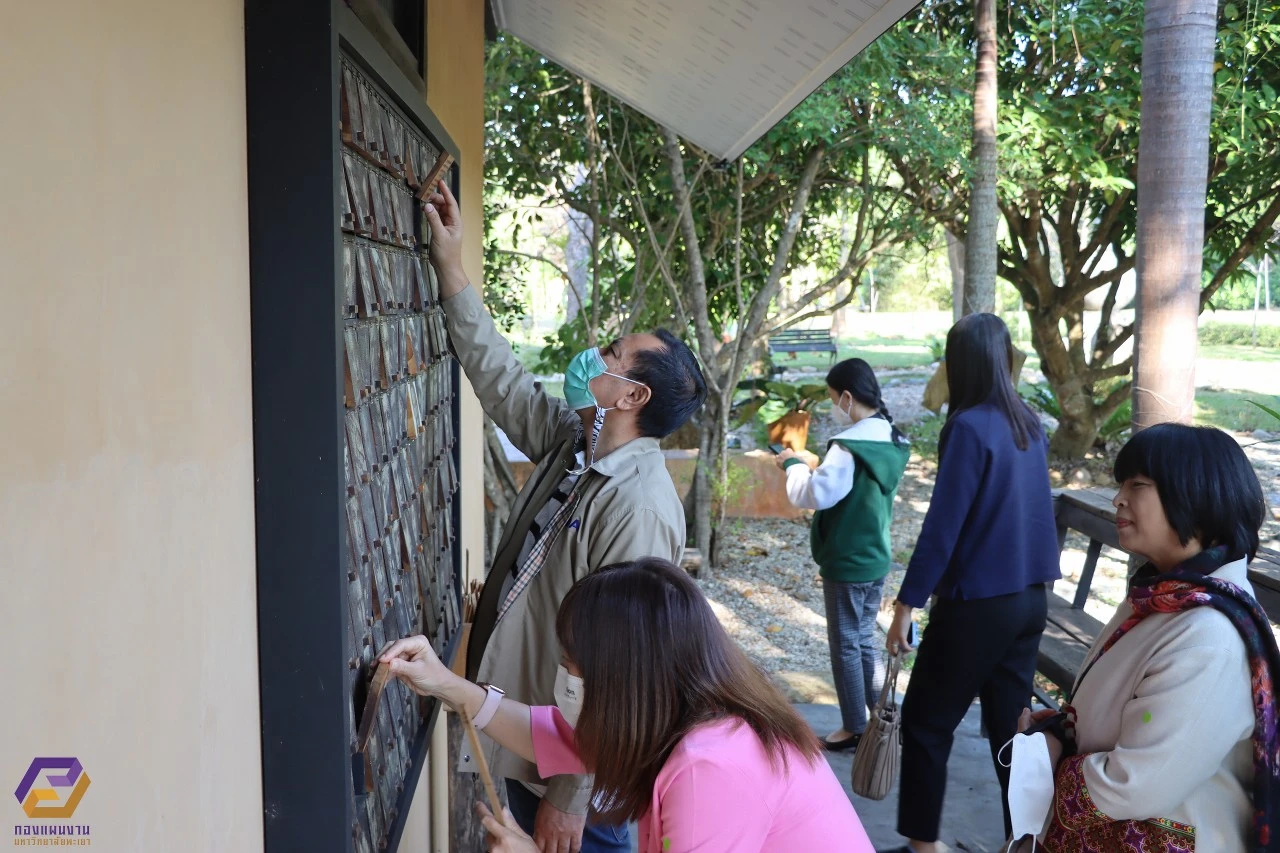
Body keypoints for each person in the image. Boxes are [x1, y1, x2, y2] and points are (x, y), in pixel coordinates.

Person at [422, 181, 708, 852]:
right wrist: (451, 265)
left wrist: (569, 796)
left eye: (609, 354)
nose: (594, 357)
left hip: (579, 777)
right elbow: (500, 378)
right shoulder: (575, 445)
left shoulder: (637, 506)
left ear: (632, 393)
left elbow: (624, 672)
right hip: (537, 737)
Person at [380, 558, 875, 853]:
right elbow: (549, 735)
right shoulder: (685, 717)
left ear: (625, 681)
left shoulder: (712, 768)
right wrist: (446, 684)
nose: (565, 680)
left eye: (574, 666)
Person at [1014, 423, 1277, 853]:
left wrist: (1050, 756)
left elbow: (1132, 785)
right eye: (1121, 484)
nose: (1118, 498)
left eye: (1138, 484)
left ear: (1197, 496)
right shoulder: (1167, 593)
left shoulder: (1208, 636)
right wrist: (1064, 729)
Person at [882, 313, 1061, 853]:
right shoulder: (1028, 422)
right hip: (1030, 600)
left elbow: (944, 525)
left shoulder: (967, 426)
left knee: (927, 723)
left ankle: (923, 848)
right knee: (1012, 734)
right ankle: (1022, 843)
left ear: (957, 363)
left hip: (979, 604)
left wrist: (905, 605)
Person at [775, 358, 910, 751]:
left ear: (847, 397)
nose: (835, 407)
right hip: (875, 555)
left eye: (834, 399)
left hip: (847, 560)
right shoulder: (891, 437)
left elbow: (815, 495)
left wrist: (794, 466)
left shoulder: (847, 447)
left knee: (846, 643)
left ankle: (853, 726)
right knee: (865, 638)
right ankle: (883, 715)